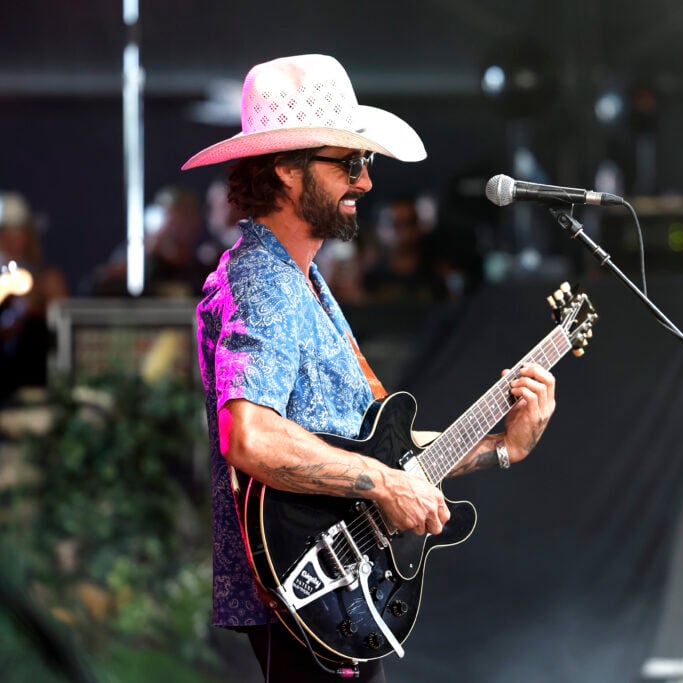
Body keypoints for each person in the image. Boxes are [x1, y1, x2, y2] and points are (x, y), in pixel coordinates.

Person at [182, 54, 557, 682]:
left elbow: (380, 453)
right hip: (306, 586)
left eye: (367, 163)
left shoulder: (301, 280)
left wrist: (499, 447)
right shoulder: (263, 281)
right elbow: (249, 437)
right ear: (287, 171)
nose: (365, 182)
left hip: (333, 590)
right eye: (349, 164)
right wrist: (384, 487)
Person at [0, 191, 68, 402]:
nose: (11, 243)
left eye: (17, 234)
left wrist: (37, 303)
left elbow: (64, 329)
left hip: (39, 388)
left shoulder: (47, 280)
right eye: (5, 235)